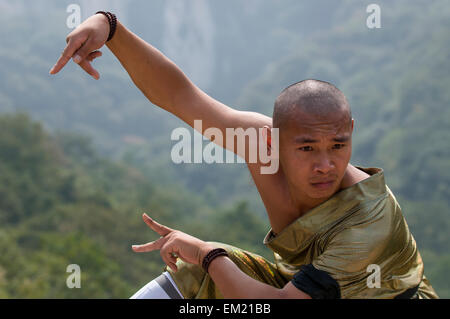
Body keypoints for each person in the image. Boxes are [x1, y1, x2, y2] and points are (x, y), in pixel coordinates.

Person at [50, 12, 439, 299]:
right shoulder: (260, 143)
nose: (326, 164)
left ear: (350, 132)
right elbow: (181, 97)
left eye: (338, 145)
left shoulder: (368, 221)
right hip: (302, 288)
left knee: (208, 267)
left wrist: (206, 253)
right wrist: (111, 28)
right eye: (306, 148)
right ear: (275, 141)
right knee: (187, 284)